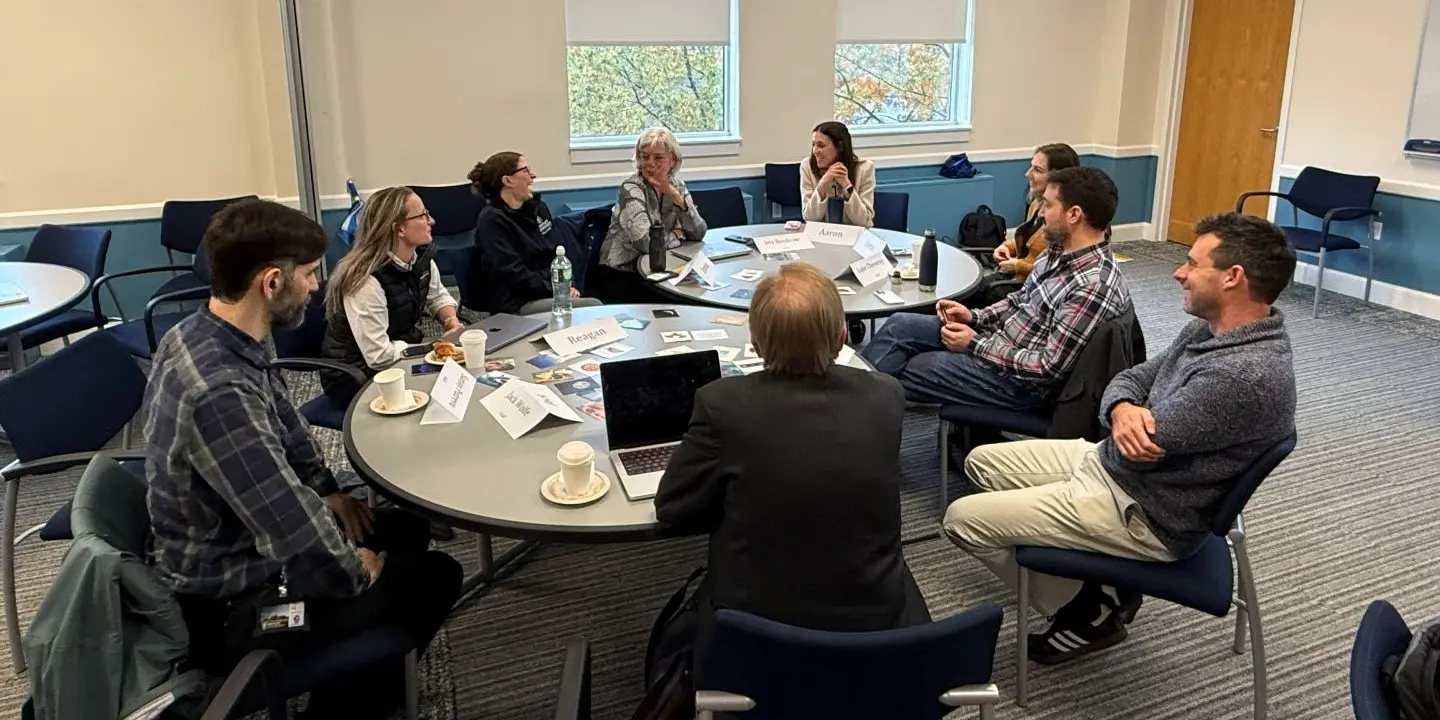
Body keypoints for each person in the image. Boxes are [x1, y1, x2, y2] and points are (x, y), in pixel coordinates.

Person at [144, 199, 462, 719]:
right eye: (311, 274)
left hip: (236, 548)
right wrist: (358, 571)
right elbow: (290, 532)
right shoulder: (219, 395)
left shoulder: (213, 332)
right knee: (435, 576)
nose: (318, 286)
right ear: (272, 282)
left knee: (402, 529)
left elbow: (288, 431)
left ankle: (360, 676)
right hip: (234, 607)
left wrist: (328, 491)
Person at [944, 212, 1297, 665]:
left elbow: (1144, 441)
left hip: (1144, 509)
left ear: (1233, 277)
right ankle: (1098, 581)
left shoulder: (1241, 375)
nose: (1178, 271)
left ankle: (1089, 610)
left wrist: (1124, 414)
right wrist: (1122, 407)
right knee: (982, 463)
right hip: (1115, 465)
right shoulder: (1214, 329)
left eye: (1192, 264)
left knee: (961, 520)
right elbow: (1133, 377)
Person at [656, 262, 931, 660]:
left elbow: (673, 508)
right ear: (841, 336)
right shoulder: (886, 396)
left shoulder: (721, 404)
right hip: (874, 627)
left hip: (753, 634)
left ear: (756, 342)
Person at [861, 166, 1132, 414]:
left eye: (1048, 205)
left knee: (916, 367)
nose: (1040, 212)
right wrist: (974, 318)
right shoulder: (1059, 250)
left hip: (1022, 385)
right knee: (900, 326)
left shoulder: (1092, 285)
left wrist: (974, 344)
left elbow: (1047, 368)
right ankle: (847, 402)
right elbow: (1018, 300)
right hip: (1000, 343)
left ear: (1074, 214)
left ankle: (844, 415)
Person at [320, 186, 463, 400]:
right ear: (399, 229)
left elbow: (438, 297)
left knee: (458, 380)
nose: (431, 221)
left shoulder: (420, 259)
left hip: (399, 354)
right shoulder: (365, 280)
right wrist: (433, 348)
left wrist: (450, 320)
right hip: (355, 375)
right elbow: (378, 357)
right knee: (444, 388)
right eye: (423, 215)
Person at [467, 151, 603, 314]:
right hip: (518, 302)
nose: (532, 176)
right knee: (593, 307)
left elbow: (558, 253)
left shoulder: (538, 209)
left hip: (550, 291)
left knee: (589, 304)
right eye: (525, 171)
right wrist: (556, 290)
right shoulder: (491, 221)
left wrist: (567, 285)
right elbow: (513, 273)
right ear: (507, 180)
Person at [593, 127, 708, 303]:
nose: (650, 163)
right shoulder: (631, 188)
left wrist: (675, 196)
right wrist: (677, 235)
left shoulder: (677, 186)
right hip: (622, 271)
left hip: (660, 269)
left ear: (672, 160)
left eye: (658, 157)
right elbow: (645, 242)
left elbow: (698, 233)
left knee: (696, 295)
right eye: (644, 157)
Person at [984, 144, 1081, 300]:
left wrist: (1018, 266)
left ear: (1058, 177)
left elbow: (1059, 273)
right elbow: (1028, 239)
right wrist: (1006, 246)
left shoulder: (1066, 221)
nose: (1027, 174)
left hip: (1032, 289)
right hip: (1014, 278)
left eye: (1037, 170)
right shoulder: (1037, 203)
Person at [800, 121, 876, 227]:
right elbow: (809, 217)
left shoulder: (864, 168)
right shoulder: (807, 166)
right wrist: (822, 184)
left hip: (853, 237)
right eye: (814, 145)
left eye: (821, 145)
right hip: (821, 235)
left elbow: (865, 221)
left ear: (840, 146)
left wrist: (847, 186)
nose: (815, 151)